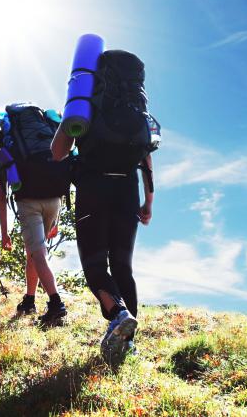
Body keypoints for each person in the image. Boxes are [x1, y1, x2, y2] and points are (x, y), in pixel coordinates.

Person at [51, 50, 156, 360]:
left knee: (96, 265)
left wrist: (71, 119)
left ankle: (120, 316)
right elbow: (146, 159)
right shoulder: (136, 106)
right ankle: (129, 344)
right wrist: (148, 201)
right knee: (123, 267)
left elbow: (57, 152)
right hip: (127, 189)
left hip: (93, 188)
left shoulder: (84, 104)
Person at [0, 104, 69, 325]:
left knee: (38, 254)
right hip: (55, 199)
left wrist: (4, 233)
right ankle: (29, 299)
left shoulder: (8, 141)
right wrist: (56, 217)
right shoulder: (46, 132)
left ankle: (56, 303)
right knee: (33, 253)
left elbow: (1, 194)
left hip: (29, 201)